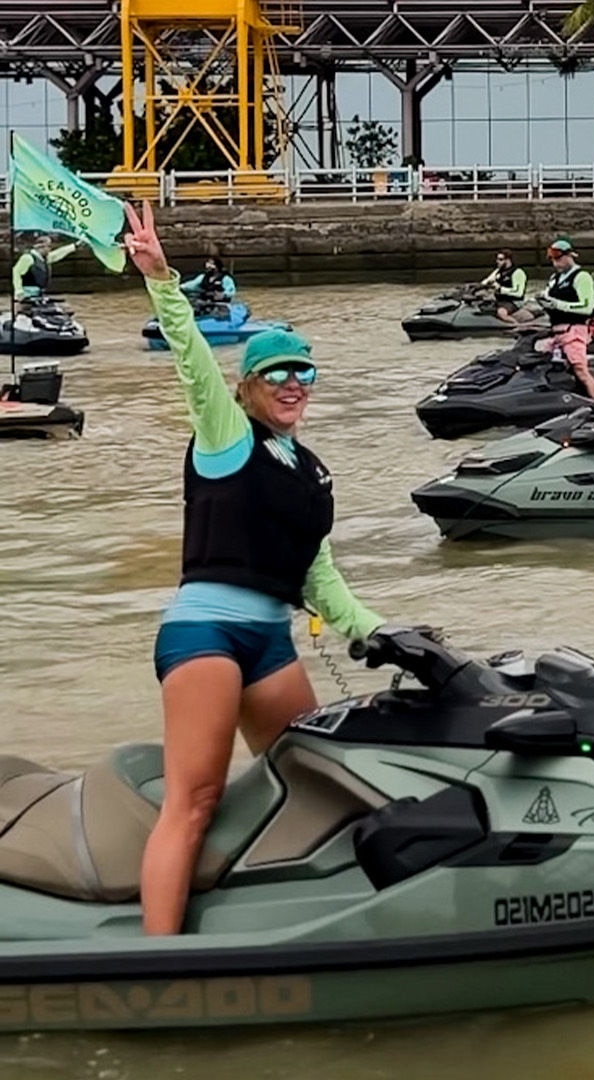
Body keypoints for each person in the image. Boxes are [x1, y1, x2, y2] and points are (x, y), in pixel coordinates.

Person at [121, 203, 386, 936]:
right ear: (250, 386)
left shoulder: (311, 471)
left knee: (314, 784)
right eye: (277, 372)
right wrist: (162, 283)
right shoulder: (225, 434)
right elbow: (192, 362)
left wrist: (387, 635)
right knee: (196, 798)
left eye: (304, 371)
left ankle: (292, 912)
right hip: (205, 634)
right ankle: (160, 959)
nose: (294, 382)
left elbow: (320, 580)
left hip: (270, 642)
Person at [535, 238, 594, 401]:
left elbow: (587, 307)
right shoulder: (554, 279)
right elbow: (550, 300)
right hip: (556, 333)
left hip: (574, 331)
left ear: (569, 256)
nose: (556, 264)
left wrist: (558, 304)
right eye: (553, 260)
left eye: (558, 259)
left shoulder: (582, 277)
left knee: (580, 370)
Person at [11, 234, 78, 302]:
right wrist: (18, 291)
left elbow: (57, 254)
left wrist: (74, 246)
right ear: (40, 247)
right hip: (26, 293)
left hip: (38, 293)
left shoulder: (44, 258)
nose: (50, 249)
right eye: (48, 246)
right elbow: (16, 272)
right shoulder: (28, 258)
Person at [479, 249, 528, 322]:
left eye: (500, 259)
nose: (497, 261)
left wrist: (500, 289)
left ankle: (515, 325)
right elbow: (487, 281)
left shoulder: (517, 272)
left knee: (501, 313)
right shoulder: (499, 271)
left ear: (508, 260)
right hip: (500, 300)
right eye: (497, 259)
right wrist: (477, 286)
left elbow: (518, 293)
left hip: (513, 301)